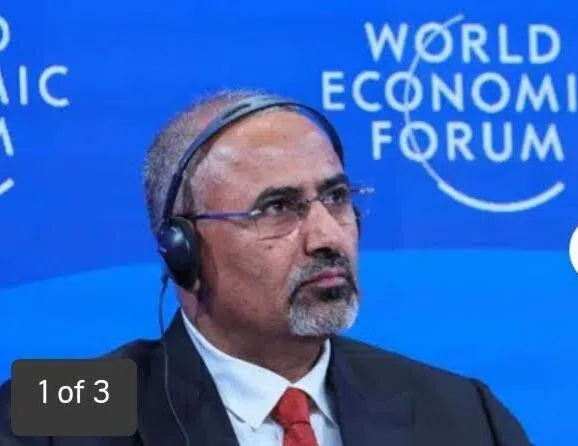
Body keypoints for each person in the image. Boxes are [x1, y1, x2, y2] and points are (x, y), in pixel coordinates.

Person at [0, 89, 532, 445]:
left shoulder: (462, 414)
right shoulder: (55, 415)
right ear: (182, 250)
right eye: (277, 208)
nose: (327, 236)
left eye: (337, 197)